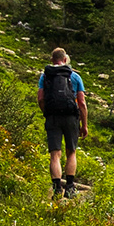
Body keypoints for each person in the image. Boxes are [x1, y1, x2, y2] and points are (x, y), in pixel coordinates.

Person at [39, 47, 87, 198]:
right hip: (71, 117)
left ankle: (57, 188)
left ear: (52, 60)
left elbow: (40, 98)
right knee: (71, 152)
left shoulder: (45, 76)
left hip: (52, 116)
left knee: (55, 154)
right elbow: (82, 103)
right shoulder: (75, 77)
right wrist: (84, 124)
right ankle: (71, 187)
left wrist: (46, 112)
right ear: (65, 59)